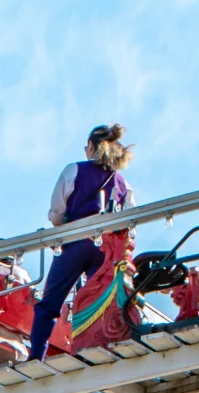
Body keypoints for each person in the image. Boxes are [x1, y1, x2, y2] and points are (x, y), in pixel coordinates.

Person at [28, 125, 135, 359]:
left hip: (75, 243)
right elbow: (129, 224)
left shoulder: (73, 170)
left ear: (90, 146)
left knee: (49, 305)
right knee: (99, 299)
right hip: (105, 250)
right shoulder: (124, 185)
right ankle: (97, 348)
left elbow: (56, 213)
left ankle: (36, 356)